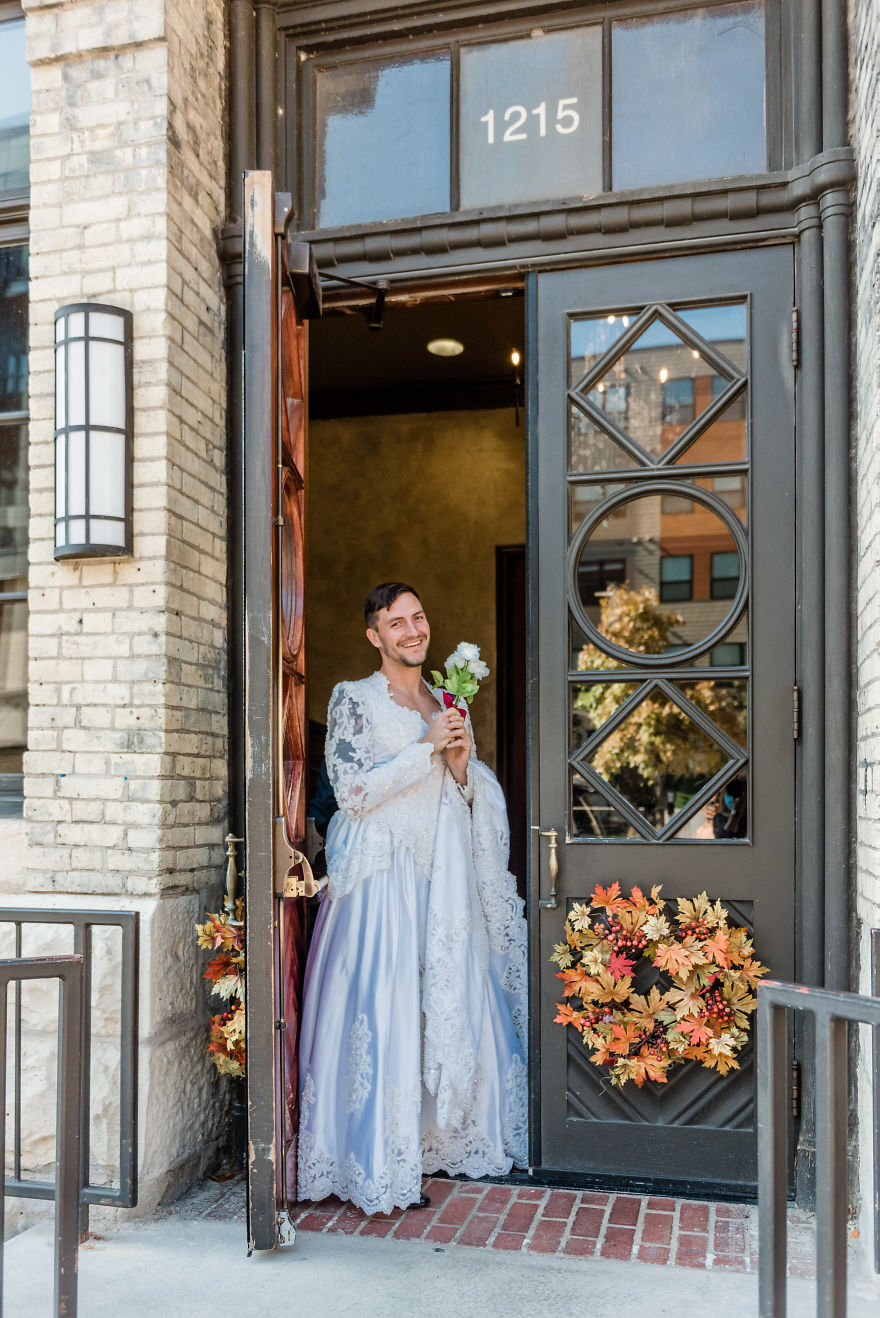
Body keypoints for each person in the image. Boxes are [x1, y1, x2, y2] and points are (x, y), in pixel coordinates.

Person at [297, 583, 527, 1215]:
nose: (412, 629)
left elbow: (464, 790)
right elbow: (351, 794)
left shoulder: (449, 701)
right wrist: (425, 745)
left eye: (417, 617)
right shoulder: (354, 698)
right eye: (396, 622)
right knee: (387, 1005)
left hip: (440, 877)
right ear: (375, 636)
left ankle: (433, 1139)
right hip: (383, 876)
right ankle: (376, 1154)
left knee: (441, 1000)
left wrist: (460, 764)